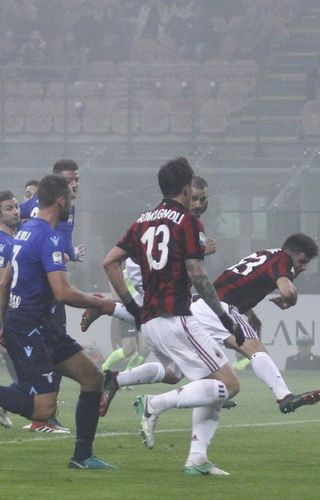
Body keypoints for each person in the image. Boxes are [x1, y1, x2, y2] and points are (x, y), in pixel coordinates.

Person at [102, 157, 242, 475]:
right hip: (176, 317)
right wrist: (221, 315)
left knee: (204, 384)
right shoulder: (187, 222)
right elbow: (196, 274)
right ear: (185, 187)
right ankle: (154, 404)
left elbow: (109, 262)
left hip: (150, 322)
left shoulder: (143, 221)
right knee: (229, 385)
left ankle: (197, 459)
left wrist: (133, 306)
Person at [87, 233, 320, 417]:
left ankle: (117, 379)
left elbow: (238, 280)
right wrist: (290, 299)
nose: (302, 267)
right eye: (302, 261)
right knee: (255, 350)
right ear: (292, 253)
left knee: (173, 372)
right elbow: (286, 290)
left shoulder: (267, 254)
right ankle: (284, 396)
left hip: (204, 305)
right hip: (219, 308)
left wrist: (250, 312)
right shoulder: (283, 259)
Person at [0, 175, 117, 469]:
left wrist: (1, 321)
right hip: (28, 325)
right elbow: (62, 292)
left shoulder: (25, 232)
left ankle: (82, 457)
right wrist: (100, 302)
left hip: (39, 325)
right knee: (43, 409)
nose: (72, 203)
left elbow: (3, 282)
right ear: (61, 200)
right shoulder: (47, 237)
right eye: (71, 198)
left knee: (93, 378)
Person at [19, 160, 84, 433]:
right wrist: (70, 254)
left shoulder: (28, 205)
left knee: (37, 353)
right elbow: (64, 245)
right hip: (46, 292)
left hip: (27, 290)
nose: (75, 184)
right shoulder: (62, 210)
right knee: (50, 350)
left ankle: (42, 415)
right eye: (70, 180)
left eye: (77, 179)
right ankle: (43, 416)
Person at [0, 190, 20, 428]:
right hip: (6, 314)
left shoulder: (17, 239)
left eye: (16, 206)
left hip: (14, 311)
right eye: (8, 208)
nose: (15, 211)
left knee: (22, 368)